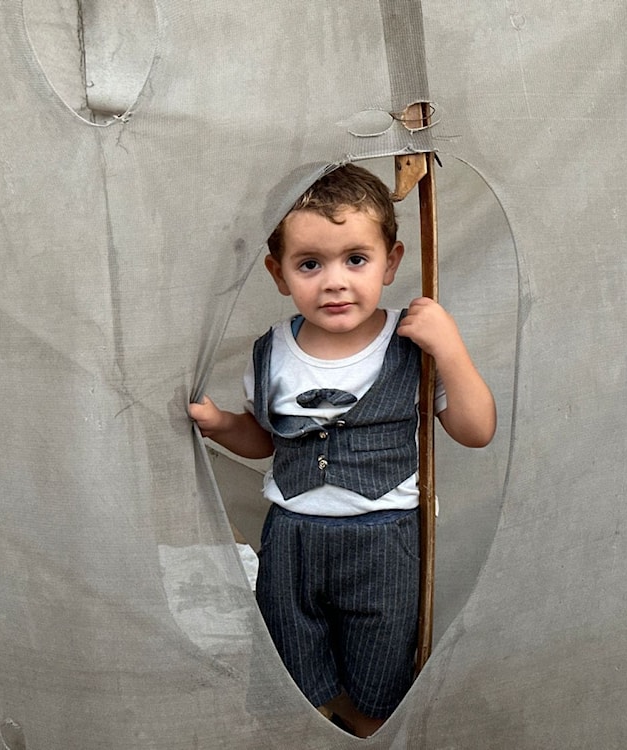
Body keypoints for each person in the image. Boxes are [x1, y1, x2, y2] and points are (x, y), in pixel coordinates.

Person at [188, 163, 495, 737]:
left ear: (392, 261)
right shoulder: (271, 352)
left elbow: (476, 431)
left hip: (385, 538)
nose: (334, 281)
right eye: (310, 264)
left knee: (380, 666)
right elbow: (265, 441)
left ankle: (368, 729)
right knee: (293, 651)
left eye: (356, 259)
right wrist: (224, 423)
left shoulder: (414, 344)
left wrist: (450, 349)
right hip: (292, 539)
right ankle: (318, 727)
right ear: (279, 274)